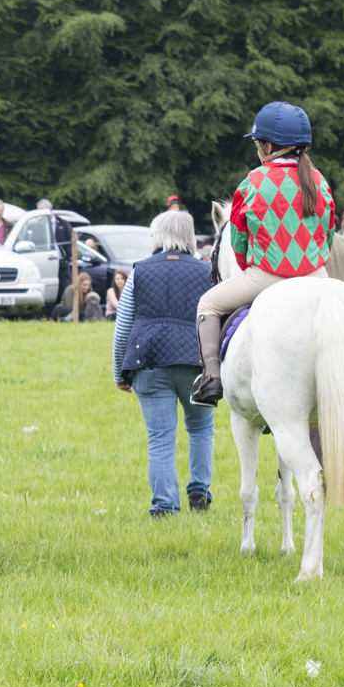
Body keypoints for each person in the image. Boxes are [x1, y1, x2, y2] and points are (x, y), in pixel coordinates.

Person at [191, 101, 335, 405]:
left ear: (268, 146)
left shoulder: (252, 182)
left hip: (268, 275)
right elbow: (328, 234)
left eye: (258, 143)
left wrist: (248, 269)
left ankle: (211, 379)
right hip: (317, 275)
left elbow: (239, 242)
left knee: (208, 304)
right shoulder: (319, 180)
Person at [112, 209, 214, 517]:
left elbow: (123, 326)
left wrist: (120, 370)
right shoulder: (207, 272)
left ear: (160, 235)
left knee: (159, 437)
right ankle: (199, 491)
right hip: (195, 362)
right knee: (201, 429)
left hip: (149, 360)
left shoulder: (140, 271)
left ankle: (165, 506)